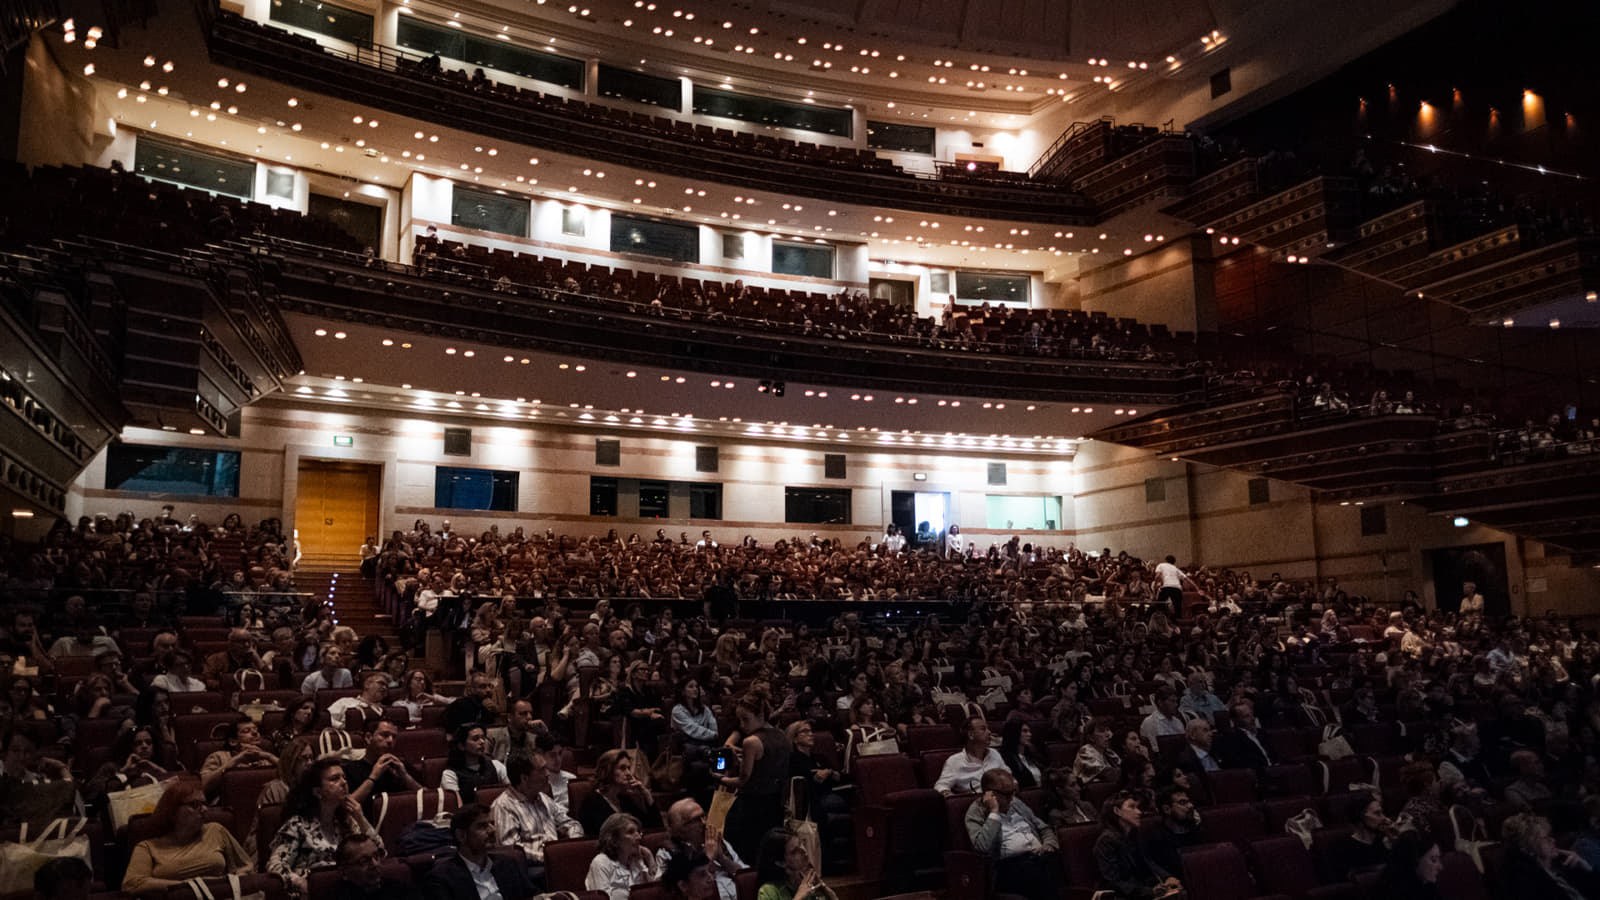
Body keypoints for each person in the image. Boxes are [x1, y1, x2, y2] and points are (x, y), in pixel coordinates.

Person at [267, 758, 382, 897]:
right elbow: (276, 865)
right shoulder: (297, 826)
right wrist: (301, 883)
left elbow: (381, 853)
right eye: (335, 779)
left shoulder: (348, 822)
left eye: (344, 777)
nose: (344, 782)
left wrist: (361, 818)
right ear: (317, 792)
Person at [122, 778, 254, 894]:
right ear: (173, 811)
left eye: (205, 804)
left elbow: (246, 866)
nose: (205, 809)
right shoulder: (148, 847)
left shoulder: (215, 830)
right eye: (195, 805)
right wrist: (189, 887)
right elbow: (132, 884)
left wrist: (226, 884)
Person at [964, 768, 1059, 900]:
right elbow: (982, 847)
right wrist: (994, 812)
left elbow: (1044, 829)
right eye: (1006, 794)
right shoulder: (976, 812)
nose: (1011, 798)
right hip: (1007, 867)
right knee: (1040, 875)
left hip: (1038, 858)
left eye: (1013, 792)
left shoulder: (1016, 803)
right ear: (989, 793)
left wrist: (1048, 845)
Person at [490, 750, 583, 880]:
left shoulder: (543, 798)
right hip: (532, 871)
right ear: (524, 778)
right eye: (542, 770)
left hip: (558, 861)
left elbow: (571, 824)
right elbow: (512, 851)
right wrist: (551, 856)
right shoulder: (504, 806)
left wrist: (572, 845)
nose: (547, 774)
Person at [719, 694, 791, 862]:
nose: (742, 725)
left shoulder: (751, 741)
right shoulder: (782, 735)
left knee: (742, 847)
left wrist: (720, 779)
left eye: (746, 719)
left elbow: (743, 780)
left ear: (760, 715)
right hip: (776, 802)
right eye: (740, 720)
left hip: (753, 804)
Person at [423, 803, 536, 900]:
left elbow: (532, 895)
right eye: (482, 826)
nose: (492, 830)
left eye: (492, 824)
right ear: (461, 835)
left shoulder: (507, 864)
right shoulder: (442, 878)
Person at [1094, 792, 1182, 900]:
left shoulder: (1134, 835)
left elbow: (1148, 862)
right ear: (1117, 811)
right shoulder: (1106, 841)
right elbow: (1113, 881)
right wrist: (1149, 892)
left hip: (1142, 890)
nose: (1139, 812)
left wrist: (1167, 877)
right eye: (1132, 807)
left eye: (1138, 807)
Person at [658, 799, 744, 900]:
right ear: (680, 829)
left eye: (704, 816)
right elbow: (669, 891)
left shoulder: (718, 842)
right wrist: (708, 858)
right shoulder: (668, 853)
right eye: (697, 819)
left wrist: (722, 859)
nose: (705, 823)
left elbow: (746, 876)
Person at [1501, 812, 1600, 900]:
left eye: (1551, 835)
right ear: (1528, 847)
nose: (1553, 840)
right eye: (1546, 838)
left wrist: (1587, 868)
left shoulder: (1563, 866)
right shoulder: (1529, 885)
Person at [580, 747, 664, 835]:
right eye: (622, 768)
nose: (628, 773)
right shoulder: (592, 802)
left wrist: (647, 796)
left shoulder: (624, 799)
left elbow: (656, 829)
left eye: (629, 768)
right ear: (608, 771)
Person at [342, 718, 421, 811]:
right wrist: (373, 777)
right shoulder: (351, 769)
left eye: (394, 737)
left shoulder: (401, 766)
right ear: (368, 737)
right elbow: (345, 808)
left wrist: (405, 776)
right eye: (385, 735)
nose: (390, 740)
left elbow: (428, 798)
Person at [585, 812, 662, 900]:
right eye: (631, 832)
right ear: (614, 839)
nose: (639, 837)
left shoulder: (637, 859)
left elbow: (655, 892)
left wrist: (650, 858)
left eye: (638, 832)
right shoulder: (601, 862)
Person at [200, 718, 278, 795]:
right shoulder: (218, 756)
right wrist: (238, 758)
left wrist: (269, 756)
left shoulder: (266, 758)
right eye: (246, 731)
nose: (255, 733)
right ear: (233, 741)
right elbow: (204, 785)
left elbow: (285, 776)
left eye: (256, 730)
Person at [755, 828, 838, 900]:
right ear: (781, 863)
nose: (804, 851)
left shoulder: (810, 883)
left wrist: (831, 895)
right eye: (794, 851)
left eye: (801, 844)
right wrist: (799, 896)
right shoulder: (769, 891)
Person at [331, 833, 420, 900]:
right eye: (364, 861)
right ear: (344, 873)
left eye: (376, 856)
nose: (375, 864)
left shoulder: (399, 889)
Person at [935, 715, 1006, 795]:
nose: (989, 732)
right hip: (978, 799)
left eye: (988, 728)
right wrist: (952, 798)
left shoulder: (994, 753)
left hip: (1003, 797)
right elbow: (941, 786)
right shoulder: (954, 761)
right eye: (983, 729)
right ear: (971, 735)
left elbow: (1009, 776)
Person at [1144, 785, 1203, 879]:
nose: (1190, 806)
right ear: (1167, 809)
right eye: (1183, 802)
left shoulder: (1196, 829)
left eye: (1189, 801)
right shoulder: (1158, 839)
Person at [440, 723, 507, 804]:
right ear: (461, 746)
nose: (482, 742)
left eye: (483, 738)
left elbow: (512, 793)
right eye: (475, 739)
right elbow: (458, 806)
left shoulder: (496, 765)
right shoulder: (450, 774)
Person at [1327, 794, 1393, 876]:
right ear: (1360, 818)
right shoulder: (1341, 850)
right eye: (1377, 813)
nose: (1384, 818)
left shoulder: (1386, 842)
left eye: (1382, 813)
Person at [1371, 832, 1444, 900]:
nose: (1440, 867)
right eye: (1434, 860)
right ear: (1413, 860)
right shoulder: (1390, 891)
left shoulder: (1426, 885)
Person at [1214, 700, 1273, 769]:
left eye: (1252, 714)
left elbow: (1273, 754)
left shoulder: (1261, 733)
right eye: (1247, 716)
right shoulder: (1232, 739)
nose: (1252, 718)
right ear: (1235, 720)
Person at [486, 699, 544, 763]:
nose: (529, 717)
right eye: (523, 713)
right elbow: (484, 761)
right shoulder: (493, 736)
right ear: (510, 717)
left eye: (531, 713)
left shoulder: (533, 739)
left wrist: (544, 733)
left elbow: (542, 764)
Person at [1072, 717, 1121, 786]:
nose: (1108, 734)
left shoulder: (1110, 753)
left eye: (1108, 729)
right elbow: (1107, 774)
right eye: (1102, 731)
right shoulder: (1085, 752)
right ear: (1091, 737)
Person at [999, 719, 1046, 789]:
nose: (1029, 734)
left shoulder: (1032, 755)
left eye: (1029, 731)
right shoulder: (1006, 759)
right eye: (1025, 731)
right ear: (1014, 733)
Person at [1139, 687, 1187, 752]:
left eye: (1176, 701)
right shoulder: (1150, 722)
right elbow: (1155, 750)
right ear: (1160, 702)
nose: (1176, 705)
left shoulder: (1177, 722)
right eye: (1172, 701)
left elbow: (1184, 745)